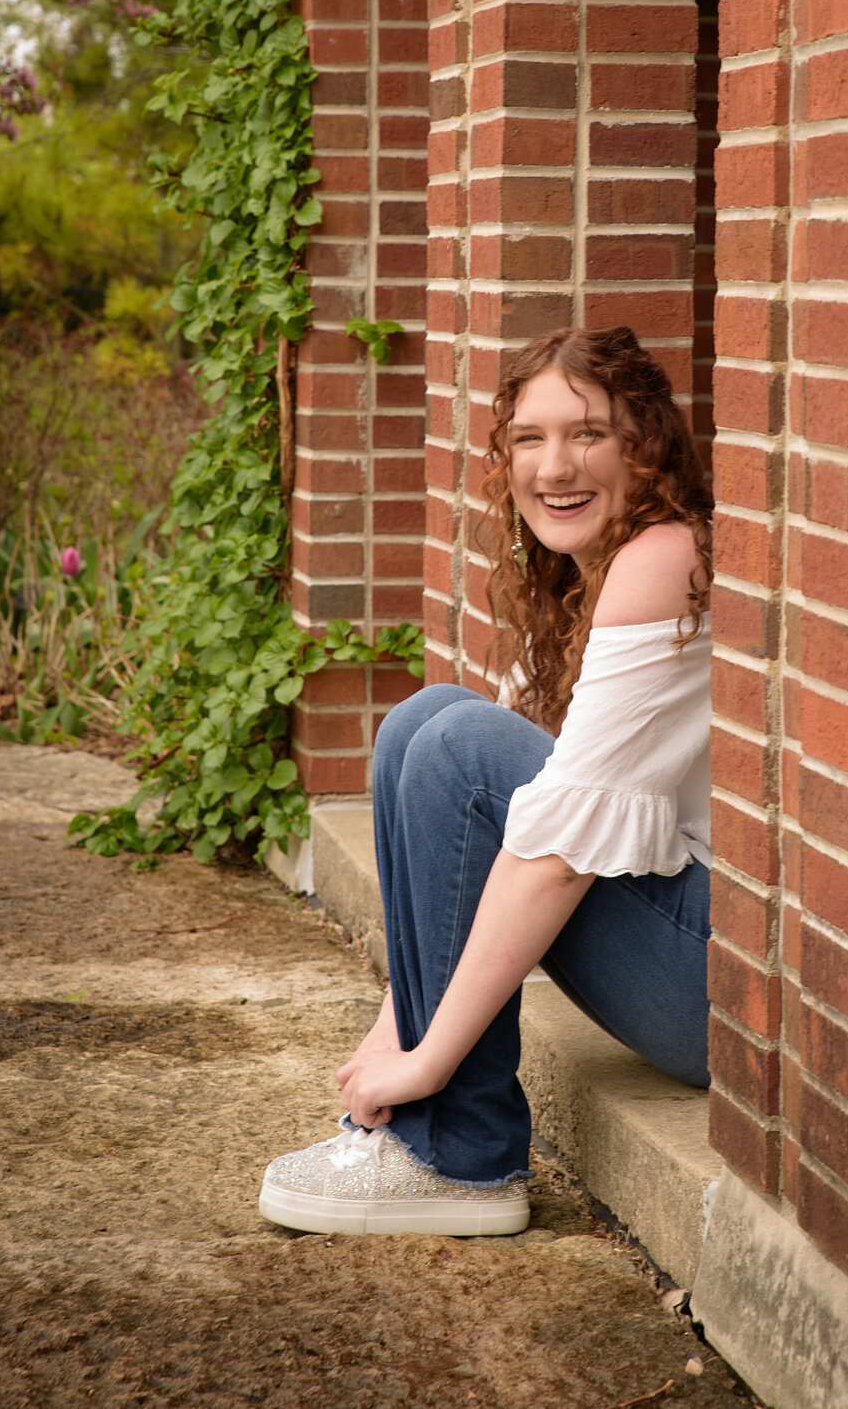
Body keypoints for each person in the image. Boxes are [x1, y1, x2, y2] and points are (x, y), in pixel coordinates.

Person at [259, 325, 713, 1237]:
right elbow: (487, 863)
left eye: (586, 433)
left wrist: (425, 1061)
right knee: (423, 722)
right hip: (674, 955)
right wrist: (403, 1019)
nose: (555, 465)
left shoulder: (664, 558)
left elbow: (549, 855)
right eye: (529, 439)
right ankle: (433, 1142)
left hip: (716, 982)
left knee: (459, 747)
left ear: (645, 447)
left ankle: (462, 1157)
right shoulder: (584, 579)